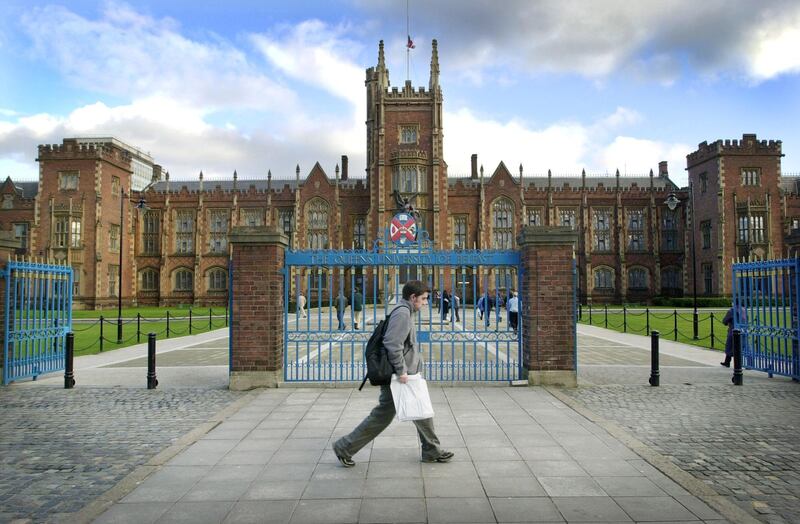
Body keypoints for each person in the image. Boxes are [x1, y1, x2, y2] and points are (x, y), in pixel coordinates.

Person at [332, 280, 454, 467]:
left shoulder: (406, 311)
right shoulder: (403, 313)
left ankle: (431, 449)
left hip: (408, 374)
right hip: (399, 376)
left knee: (422, 411)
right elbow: (392, 343)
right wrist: (401, 370)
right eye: (423, 299)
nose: (425, 303)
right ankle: (345, 447)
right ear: (413, 297)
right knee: (383, 416)